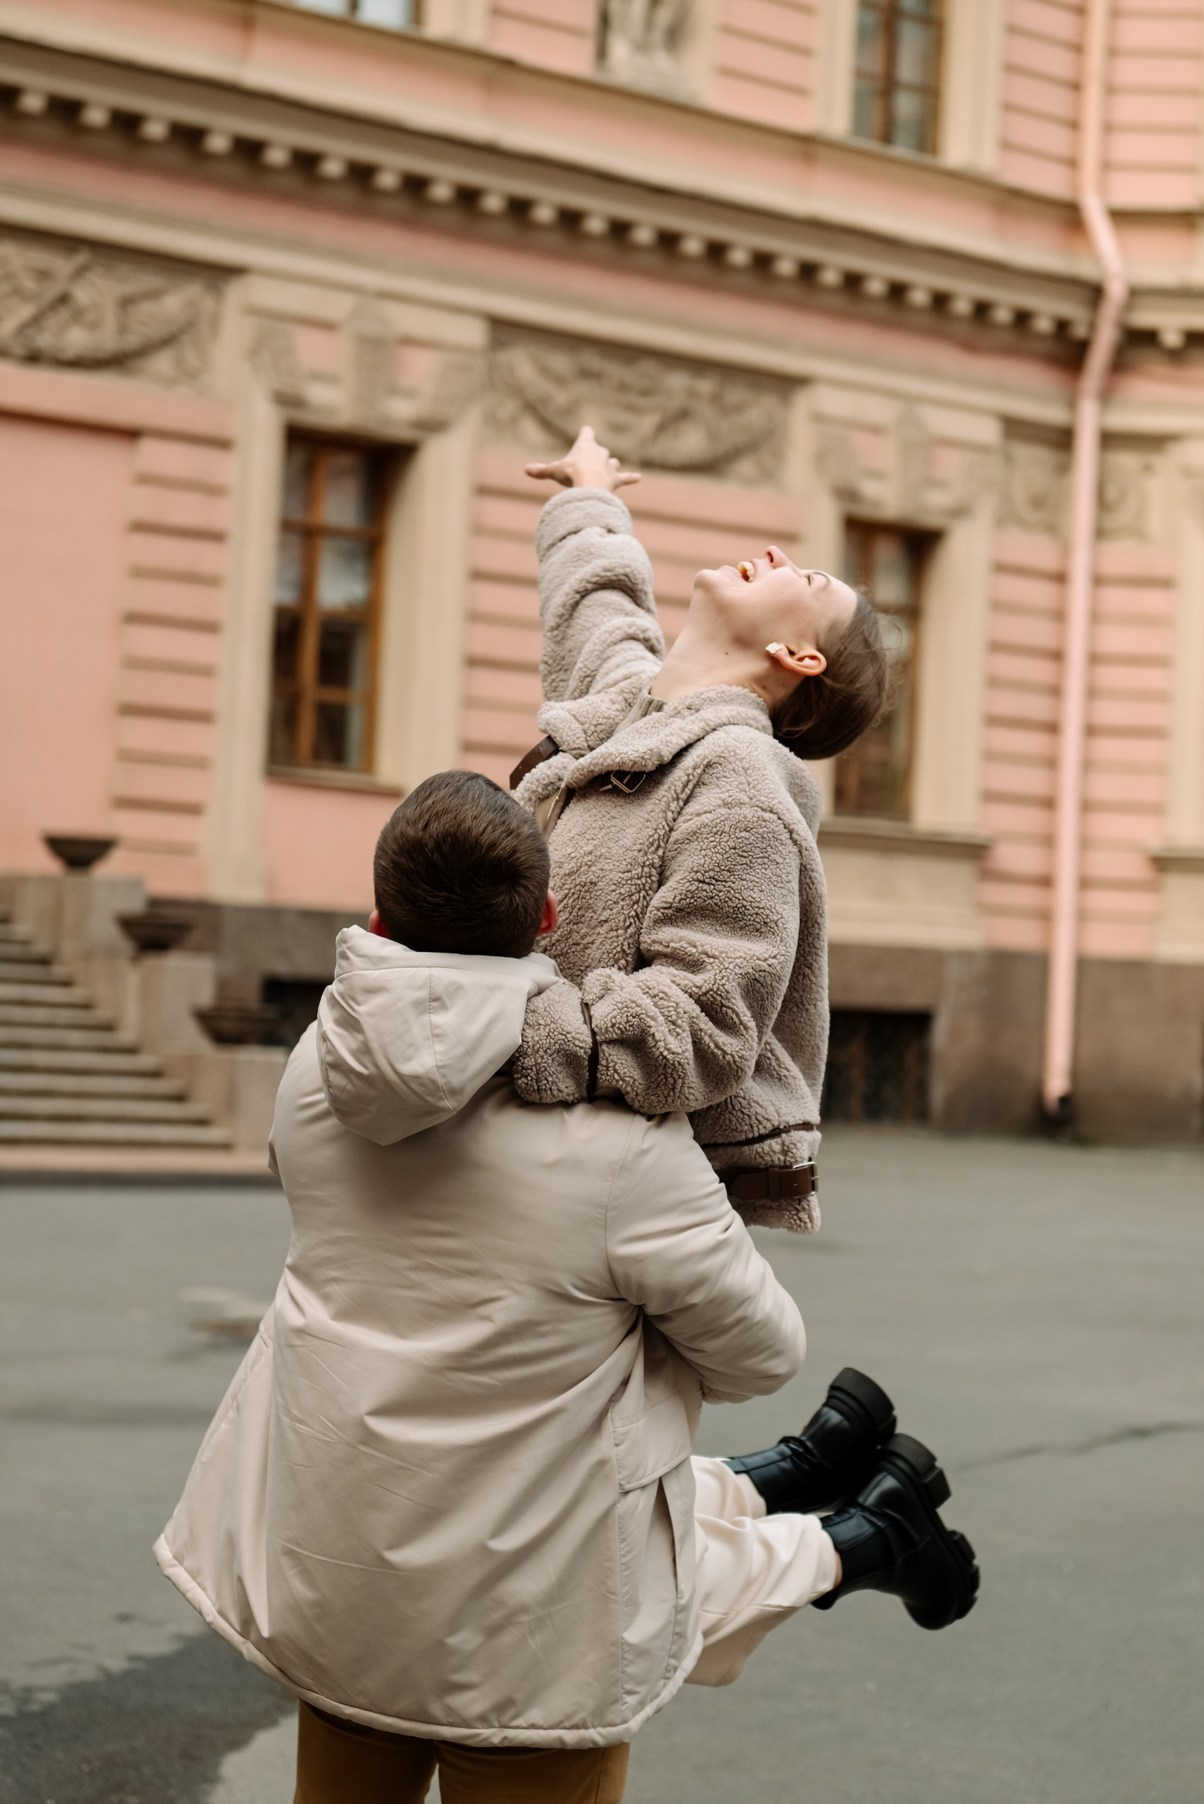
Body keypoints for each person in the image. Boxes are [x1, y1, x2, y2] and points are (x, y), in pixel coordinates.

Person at [154, 773, 977, 1804]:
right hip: (529, 1639)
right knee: (589, 1442)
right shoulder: (619, 1146)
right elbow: (763, 1350)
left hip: (342, 1578)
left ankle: (788, 1492)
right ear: (547, 918)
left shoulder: (315, 1068)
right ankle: (835, 1527)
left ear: (376, 913)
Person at [510, 426, 888, 1235]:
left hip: (607, 1205)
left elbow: (702, 1027)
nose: (780, 553)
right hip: (528, 1164)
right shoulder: (628, 707)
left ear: (798, 654)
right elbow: (597, 606)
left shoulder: (744, 785)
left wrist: (495, 1026)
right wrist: (590, 495)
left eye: (808, 580)